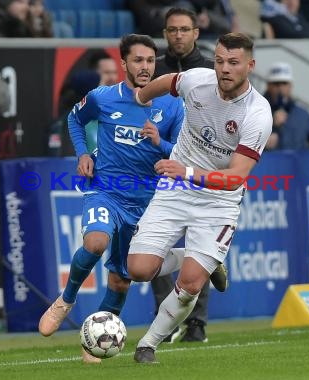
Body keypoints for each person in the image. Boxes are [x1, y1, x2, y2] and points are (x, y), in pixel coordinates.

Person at [38, 34, 186, 363]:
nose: (145, 67)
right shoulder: (104, 98)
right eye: (138, 60)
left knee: (121, 279)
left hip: (147, 202)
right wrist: (82, 154)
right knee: (95, 243)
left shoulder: (172, 105)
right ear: (124, 64)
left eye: (150, 61)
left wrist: (160, 143)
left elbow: (182, 152)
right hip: (106, 190)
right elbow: (75, 119)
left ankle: (97, 339)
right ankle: (66, 300)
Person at [127, 32, 273, 363]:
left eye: (233, 63)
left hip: (218, 200)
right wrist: (140, 97)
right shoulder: (198, 81)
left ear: (250, 65)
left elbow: (236, 177)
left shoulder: (258, 114)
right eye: (220, 60)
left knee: (191, 284)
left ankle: (148, 344)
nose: (224, 69)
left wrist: (188, 173)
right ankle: (208, 260)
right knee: (137, 269)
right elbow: (169, 82)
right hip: (177, 189)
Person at [152, 7, 221, 344]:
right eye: (171, 30)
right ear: (165, 34)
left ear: (196, 32)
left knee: (197, 245)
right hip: (160, 169)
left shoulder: (212, 71)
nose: (177, 35)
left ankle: (196, 323)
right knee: (154, 246)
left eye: (184, 29)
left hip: (200, 172)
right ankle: (163, 324)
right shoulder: (155, 71)